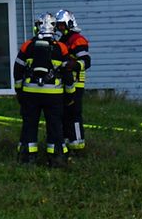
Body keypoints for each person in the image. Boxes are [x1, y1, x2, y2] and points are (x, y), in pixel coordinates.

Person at [13, 13, 72, 167]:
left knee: (29, 124)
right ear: (54, 28)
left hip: (30, 94)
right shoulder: (61, 47)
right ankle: (56, 158)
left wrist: (19, 91)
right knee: (54, 126)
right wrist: (70, 94)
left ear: (37, 27)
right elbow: (67, 72)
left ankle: (27, 157)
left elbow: (17, 69)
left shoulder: (27, 45)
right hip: (54, 95)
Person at [55, 9, 91, 155]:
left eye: (62, 24)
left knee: (74, 114)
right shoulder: (62, 40)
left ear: (69, 23)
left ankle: (78, 146)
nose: (60, 27)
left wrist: (73, 65)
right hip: (65, 83)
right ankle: (67, 144)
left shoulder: (77, 39)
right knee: (64, 115)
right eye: (58, 25)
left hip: (76, 83)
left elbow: (86, 61)